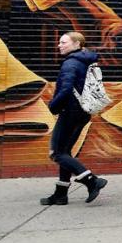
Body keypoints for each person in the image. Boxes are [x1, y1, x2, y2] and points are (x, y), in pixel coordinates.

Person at [38, 31, 108, 206]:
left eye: (64, 42)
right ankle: (61, 194)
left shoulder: (71, 63)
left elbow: (66, 88)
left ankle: (91, 180)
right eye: (60, 42)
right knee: (65, 152)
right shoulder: (86, 61)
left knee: (56, 153)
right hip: (83, 111)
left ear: (77, 44)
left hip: (70, 111)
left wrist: (53, 106)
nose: (59, 45)